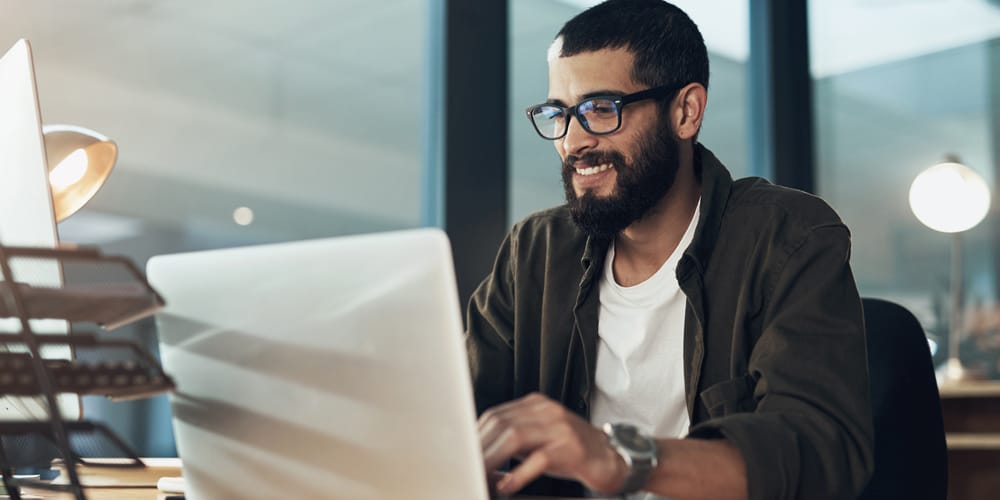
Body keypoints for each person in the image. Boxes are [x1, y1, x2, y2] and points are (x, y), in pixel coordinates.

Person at [465, 1, 874, 499]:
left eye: (600, 109)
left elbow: (818, 451)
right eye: (559, 114)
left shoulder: (787, 237)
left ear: (686, 111)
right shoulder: (534, 251)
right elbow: (461, 411)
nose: (572, 141)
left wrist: (617, 459)